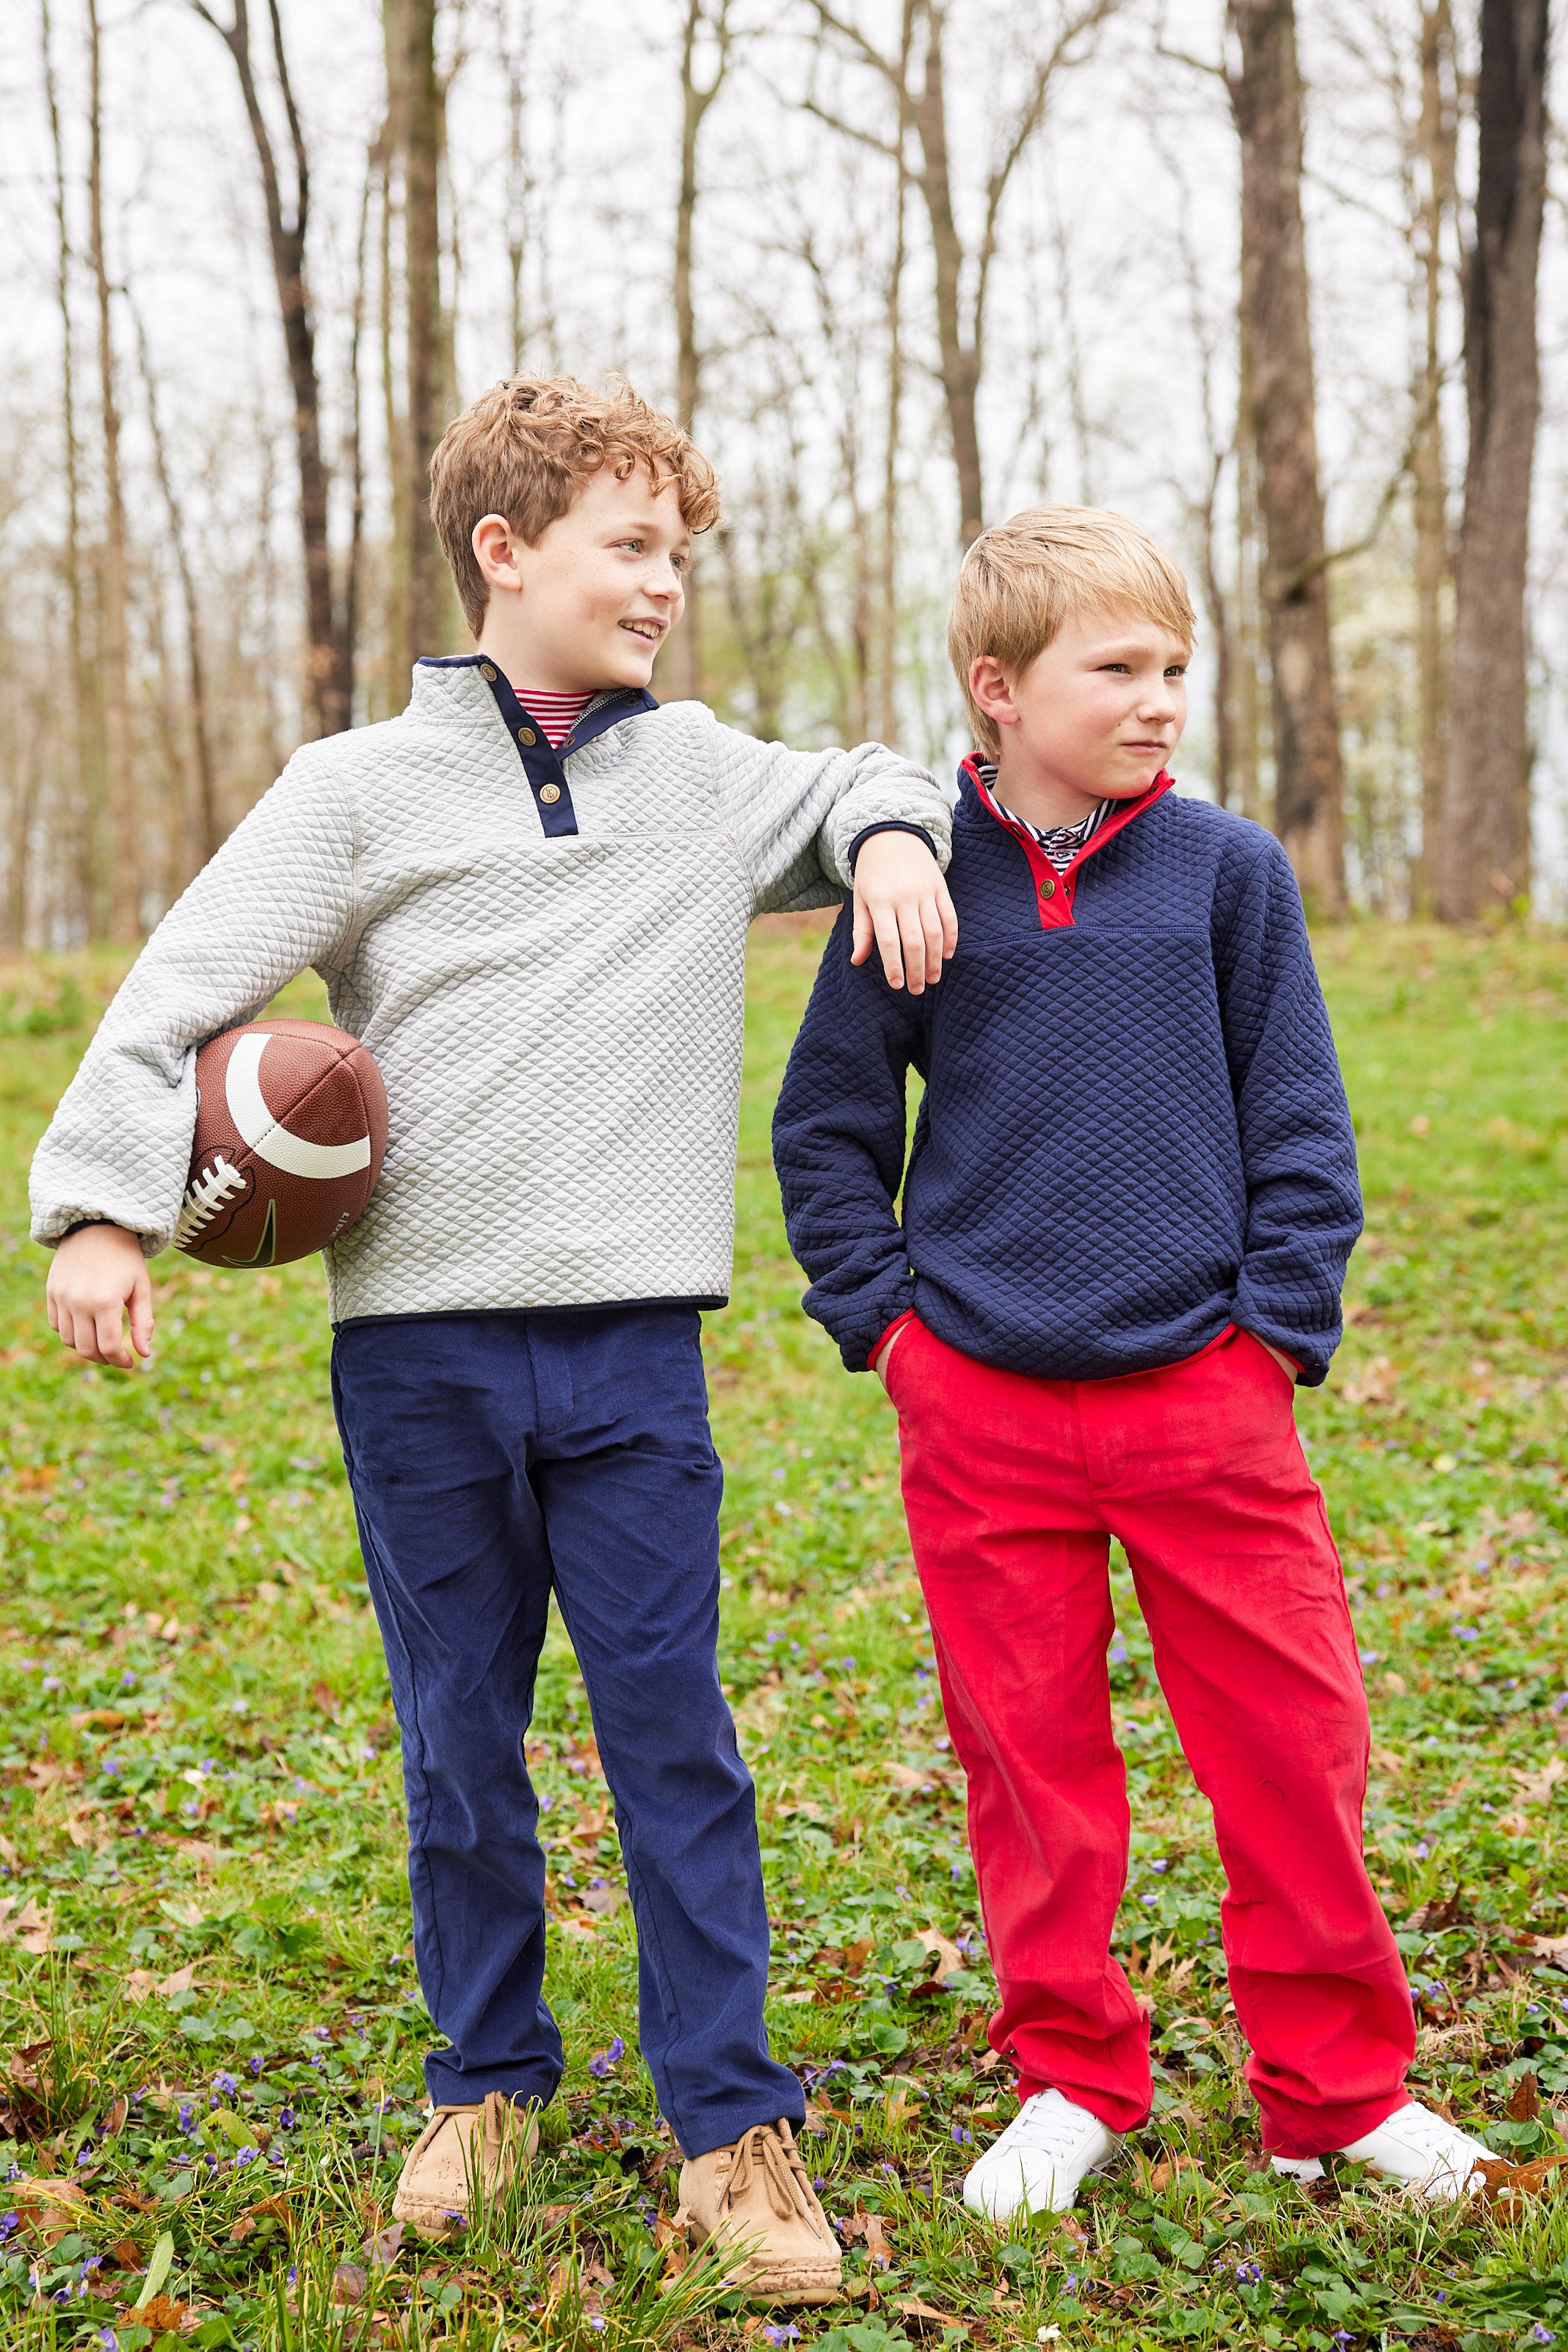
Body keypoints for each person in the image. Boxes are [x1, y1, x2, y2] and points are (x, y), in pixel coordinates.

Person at [30, 375, 961, 2302]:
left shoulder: (700, 768)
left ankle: (730, 2124)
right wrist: (106, 1207)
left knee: (674, 1738)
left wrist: (880, 839)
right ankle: (487, 2084)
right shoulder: (356, 790)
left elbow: (878, 766)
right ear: (505, 551)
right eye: (632, 546)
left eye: (680, 553)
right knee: (462, 1738)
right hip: (419, 1356)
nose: (665, 586)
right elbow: (178, 989)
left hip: (633, 1352)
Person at [771, 505, 1495, 2217]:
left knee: (1294, 1750)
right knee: (1029, 1767)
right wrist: (892, 1331)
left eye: (1176, 666)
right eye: (1120, 670)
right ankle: (1072, 2076)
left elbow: (1302, 1130)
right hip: (985, 1410)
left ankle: (1336, 2093)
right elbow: (826, 1128)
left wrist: (1270, 1341)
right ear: (999, 688)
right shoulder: (917, 873)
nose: (1162, 698)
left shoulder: (1231, 875)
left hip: (1206, 1400)